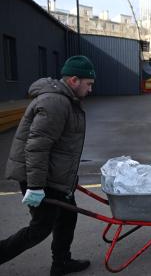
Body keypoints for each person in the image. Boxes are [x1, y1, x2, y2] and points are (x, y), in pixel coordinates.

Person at [0, 55, 95, 275]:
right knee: (40, 228)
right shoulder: (56, 103)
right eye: (88, 84)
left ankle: (61, 263)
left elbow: (60, 147)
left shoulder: (65, 100)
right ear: (74, 80)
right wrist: (35, 187)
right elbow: (36, 147)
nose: (90, 90)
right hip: (41, 179)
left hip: (53, 177)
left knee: (67, 217)